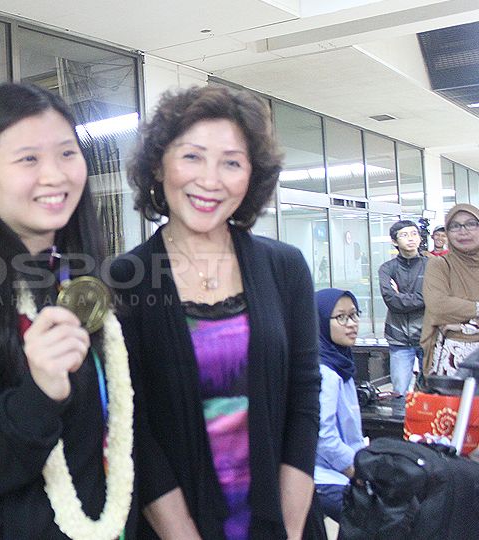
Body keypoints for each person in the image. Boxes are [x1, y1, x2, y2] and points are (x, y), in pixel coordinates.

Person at [0, 83, 136, 539]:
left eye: (67, 154)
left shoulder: (92, 286)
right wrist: (37, 395)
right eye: (28, 159)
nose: (54, 175)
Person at [111, 85, 321, 539]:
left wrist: (286, 528)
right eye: (192, 157)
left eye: (231, 162)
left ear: (252, 176)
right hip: (174, 524)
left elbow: (304, 399)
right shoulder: (123, 279)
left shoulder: (285, 268)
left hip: (282, 517)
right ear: (158, 165)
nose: (210, 180)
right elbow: (132, 427)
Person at [312, 288, 364, 523]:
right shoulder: (325, 371)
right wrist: (357, 473)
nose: (351, 324)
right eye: (341, 317)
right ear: (320, 322)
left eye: (354, 315)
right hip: (325, 478)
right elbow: (324, 437)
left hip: (343, 470)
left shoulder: (341, 364)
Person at [422, 204, 479, 376]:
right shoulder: (440, 265)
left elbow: (447, 309)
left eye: (471, 224)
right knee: (455, 403)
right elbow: (438, 306)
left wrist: (461, 325)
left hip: (455, 338)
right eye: (455, 226)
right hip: (453, 357)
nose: (463, 231)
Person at [377, 220, 426, 396]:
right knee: (399, 392)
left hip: (428, 336)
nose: (411, 239)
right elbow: (392, 302)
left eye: (414, 234)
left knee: (430, 392)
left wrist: (400, 296)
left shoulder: (432, 266)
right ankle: (401, 424)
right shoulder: (387, 269)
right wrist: (421, 298)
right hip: (398, 337)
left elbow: (435, 298)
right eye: (404, 235)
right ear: (395, 241)